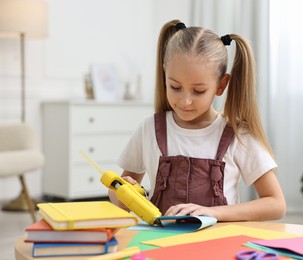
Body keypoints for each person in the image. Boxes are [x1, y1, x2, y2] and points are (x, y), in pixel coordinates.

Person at [109, 19, 286, 222]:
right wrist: (122, 194)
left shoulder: (237, 134)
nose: (185, 101)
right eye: (175, 87)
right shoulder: (149, 129)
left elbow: (276, 204)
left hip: (217, 246)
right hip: (161, 245)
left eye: (199, 91)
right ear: (165, 73)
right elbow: (118, 198)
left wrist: (213, 212)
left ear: (221, 86)